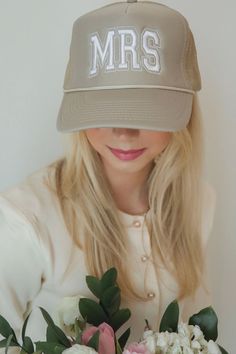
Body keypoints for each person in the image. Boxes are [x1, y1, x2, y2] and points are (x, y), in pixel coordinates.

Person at [0, 1, 216, 352]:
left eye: (146, 111)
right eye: (105, 109)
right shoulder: (27, 220)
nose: (124, 132)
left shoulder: (199, 204)